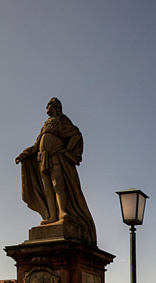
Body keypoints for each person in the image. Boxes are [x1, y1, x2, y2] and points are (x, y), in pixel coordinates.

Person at [16, 97, 97, 244]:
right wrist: (24, 154)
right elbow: (36, 146)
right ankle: (52, 216)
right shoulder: (45, 125)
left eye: (49, 105)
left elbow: (75, 135)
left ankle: (63, 212)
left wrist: (67, 151)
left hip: (56, 157)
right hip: (42, 159)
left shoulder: (62, 120)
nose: (46, 107)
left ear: (55, 106)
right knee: (48, 190)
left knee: (58, 185)